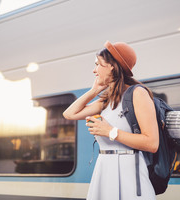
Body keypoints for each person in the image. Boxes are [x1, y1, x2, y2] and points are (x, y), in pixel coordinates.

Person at [63, 41, 158, 200]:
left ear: (112, 66)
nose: (94, 70)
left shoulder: (138, 93)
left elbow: (152, 143)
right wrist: (94, 90)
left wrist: (110, 132)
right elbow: (69, 114)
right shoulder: (107, 99)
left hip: (130, 175)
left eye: (98, 64)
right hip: (105, 171)